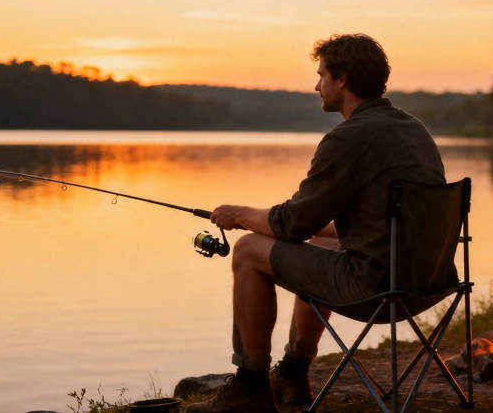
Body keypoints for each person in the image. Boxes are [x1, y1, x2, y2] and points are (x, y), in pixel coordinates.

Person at [186, 33, 445, 413]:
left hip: (378, 288)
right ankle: (292, 373)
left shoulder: (348, 138)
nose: (316, 85)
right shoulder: (413, 129)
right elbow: (354, 225)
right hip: (430, 283)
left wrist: (240, 215)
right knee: (321, 246)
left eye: (322, 74)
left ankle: (250, 388)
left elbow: (292, 224)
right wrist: (271, 221)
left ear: (342, 80)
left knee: (246, 251)